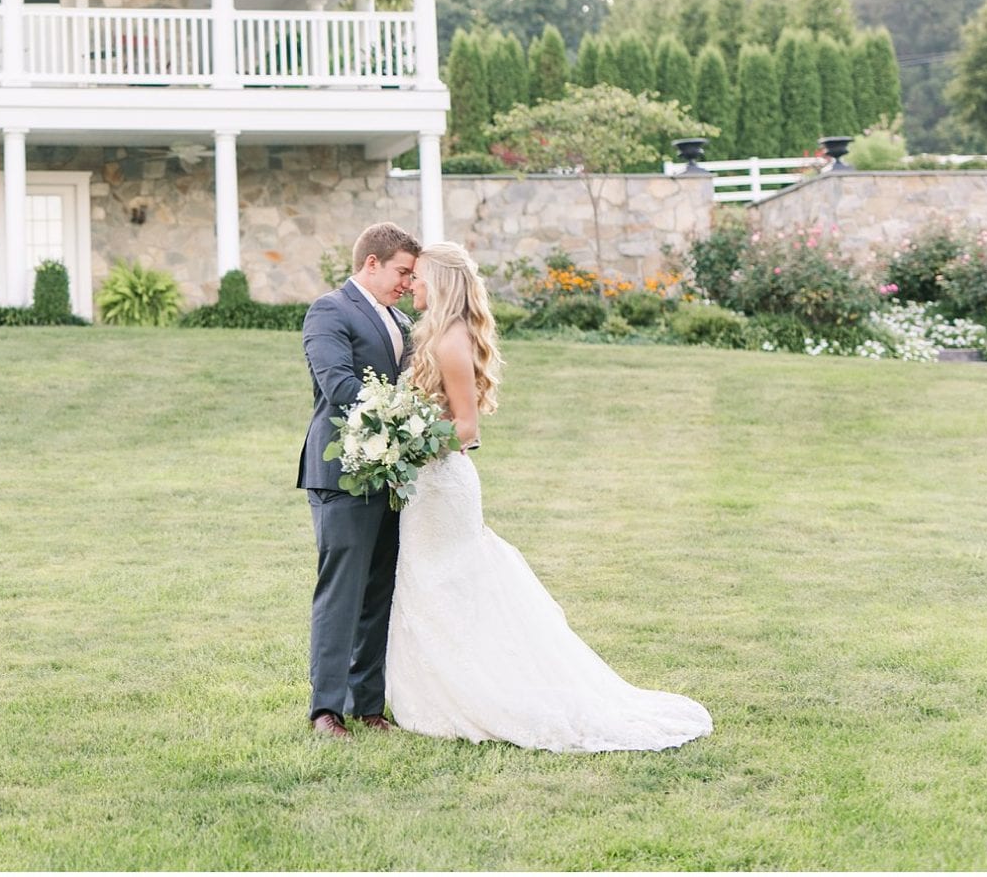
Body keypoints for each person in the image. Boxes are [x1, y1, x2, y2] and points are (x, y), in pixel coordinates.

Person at [385, 241, 712, 752]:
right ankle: (444, 687)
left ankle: (481, 692)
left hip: (442, 482)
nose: (414, 285)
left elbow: (466, 430)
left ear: (442, 283)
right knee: (438, 584)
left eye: (421, 278)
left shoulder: (451, 341)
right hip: (431, 484)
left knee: (445, 584)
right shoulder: (438, 334)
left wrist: (407, 442)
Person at [298, 222, 420, 738]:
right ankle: (325, 709)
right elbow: (339, 384)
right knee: (342, 591)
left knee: (379, 592)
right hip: (341, 471)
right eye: (402, 272)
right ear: (372, 262)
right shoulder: (329, 310)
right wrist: (403, 416)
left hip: (390, 474)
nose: (408, 284)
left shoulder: (401, 320)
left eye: (412, 276)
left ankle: (367, 704)